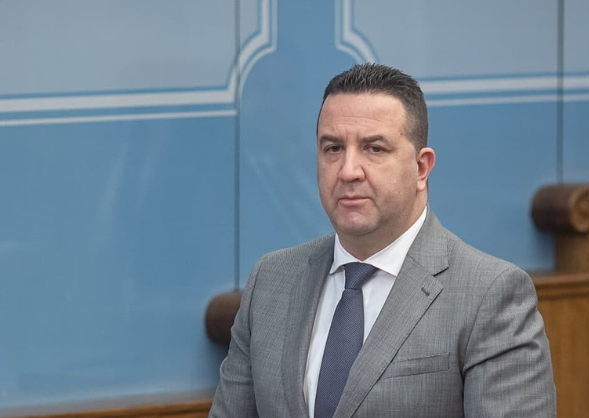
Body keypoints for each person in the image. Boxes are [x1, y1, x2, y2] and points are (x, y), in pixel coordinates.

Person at [208, 63, 556, 418]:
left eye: (374, 148)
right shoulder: (271, 281)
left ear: (421, 168)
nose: (348, 171)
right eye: (333, 148)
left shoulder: (489, 295)